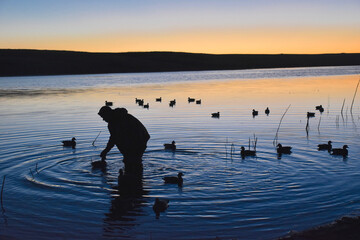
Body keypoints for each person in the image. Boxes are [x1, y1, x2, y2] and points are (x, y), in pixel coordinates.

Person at [98, 106, 150, 174]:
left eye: (104, 117)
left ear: (108, 114)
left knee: (134, 161)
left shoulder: (123, 119)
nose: (103, 119)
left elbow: (120, 137)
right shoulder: (111, 123)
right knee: (129, 161)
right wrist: (106, 150)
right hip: (132, 141)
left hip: (140, 139)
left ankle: (135, 178)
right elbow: (113, 138)